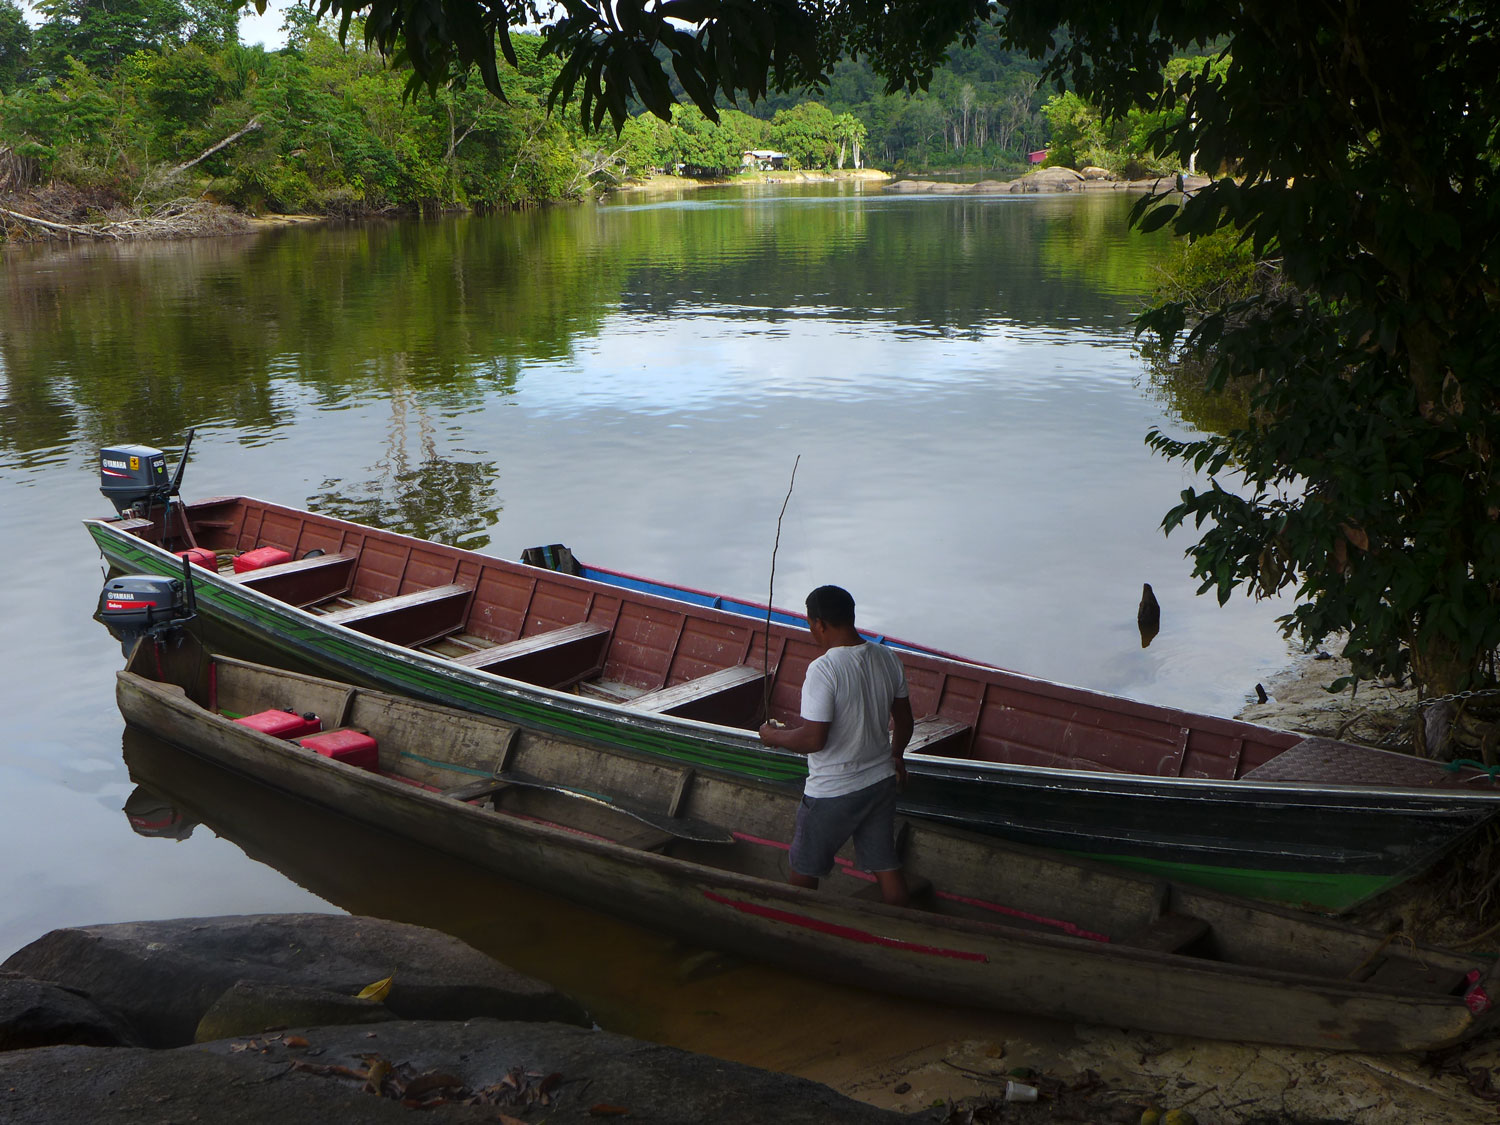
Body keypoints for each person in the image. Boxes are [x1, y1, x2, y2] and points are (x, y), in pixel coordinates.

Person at [758, 585, 914, 906]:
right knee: (885, 864)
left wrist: (773, 736)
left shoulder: (823, 669)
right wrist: (896, 756)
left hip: (833, 791)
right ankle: (904, 929)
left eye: (810, 624)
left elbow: (814, 739)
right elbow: (905, 720)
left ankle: (794, 925)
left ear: (820, 624)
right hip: (880, 783)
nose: (811, 631)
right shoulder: (888, 657)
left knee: (804, 866)